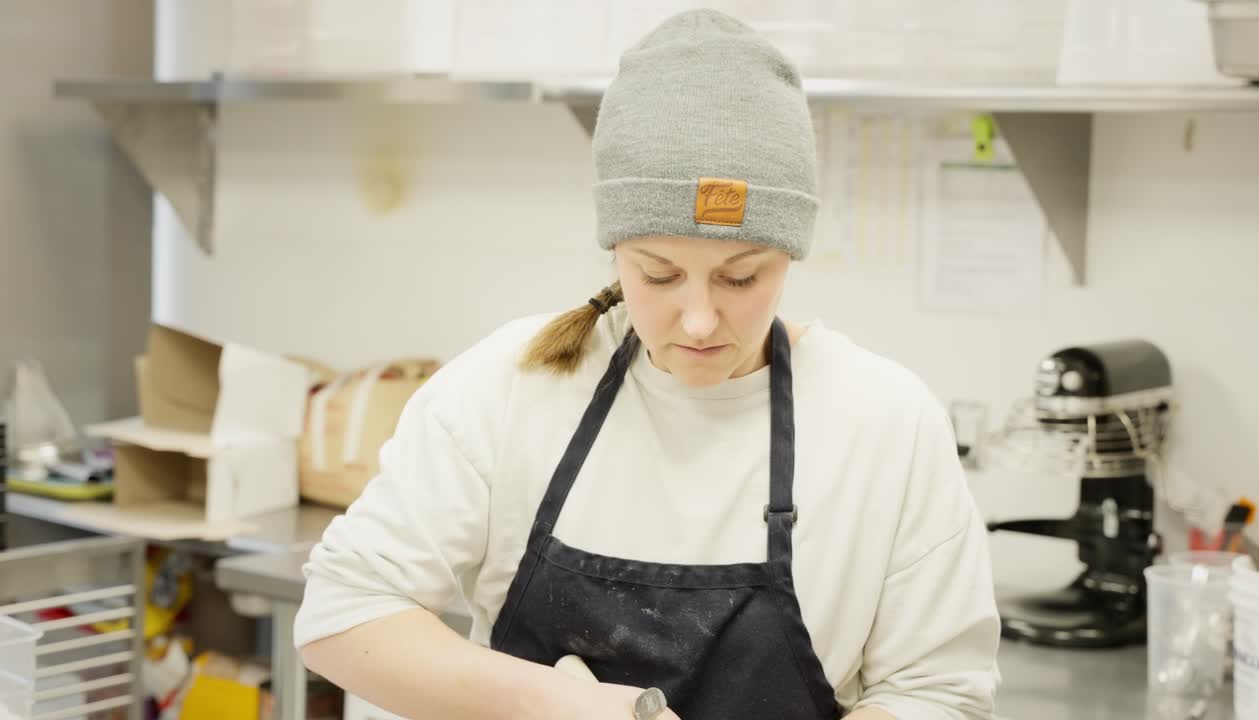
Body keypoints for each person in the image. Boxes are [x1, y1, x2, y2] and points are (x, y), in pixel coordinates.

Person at [296, 9, 1000, 720]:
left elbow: (940, 692)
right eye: (659, 274)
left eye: (741, 276)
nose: (698, 319)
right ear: (614, 252)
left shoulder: (885, 423)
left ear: (789, 254)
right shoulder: (510, 387)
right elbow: (341, 611)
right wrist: (566, 707)